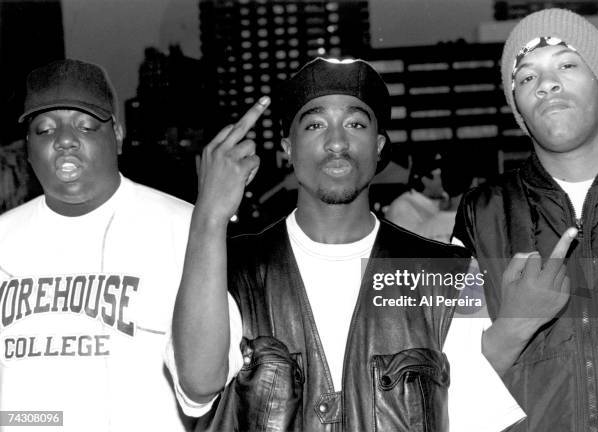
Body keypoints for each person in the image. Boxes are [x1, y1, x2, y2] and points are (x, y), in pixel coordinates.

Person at [168, 57, 525, 431]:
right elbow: (198, 386)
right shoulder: (229, 267)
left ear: (379, 146)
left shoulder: (452, 273)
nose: (337, 142)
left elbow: (476, 419)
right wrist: (209, 216)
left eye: (355, 124)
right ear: (288, 147)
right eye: (316, 124)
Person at [0, 59, 193, 431]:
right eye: (44, 129)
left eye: (86, 125)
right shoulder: (4, 238)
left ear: (117, 134)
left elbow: (207, 384)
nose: (64, 140)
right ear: (26, 148)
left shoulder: (182, 226)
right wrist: (38, 420)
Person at [453, 8, 598, 431]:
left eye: (567, 63)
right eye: (525, 77)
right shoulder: (479, 213)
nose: (546, 84)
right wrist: (514, 325)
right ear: (518, 108)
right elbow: (445, 379)